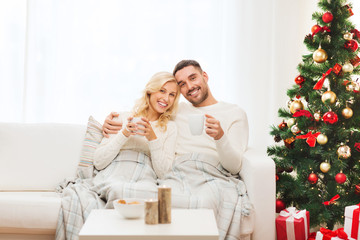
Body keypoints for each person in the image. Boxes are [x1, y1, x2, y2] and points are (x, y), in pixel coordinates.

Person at [103, 60, 253, 240]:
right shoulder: (176, 109)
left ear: (204, 76)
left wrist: (220, 137)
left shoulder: (234, 113)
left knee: (206, 201)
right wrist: (111, 123)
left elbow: (234, 166)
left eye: (193, 78)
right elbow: (149, 111)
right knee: (160, 203)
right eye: (182, 84)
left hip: (213, 173)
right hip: (178, 173)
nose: (189, 86)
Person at [56, 71, 180, 240]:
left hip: (144, 177)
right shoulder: (123, 118)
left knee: (148, 196)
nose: (166, 98)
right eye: (162, 91)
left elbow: (164, 173)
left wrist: (152, 137)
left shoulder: (170, 128)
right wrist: (124, 133)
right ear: (150, 91)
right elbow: (99, 162)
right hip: (115, 173)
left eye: (172, 94)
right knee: (116, 189)